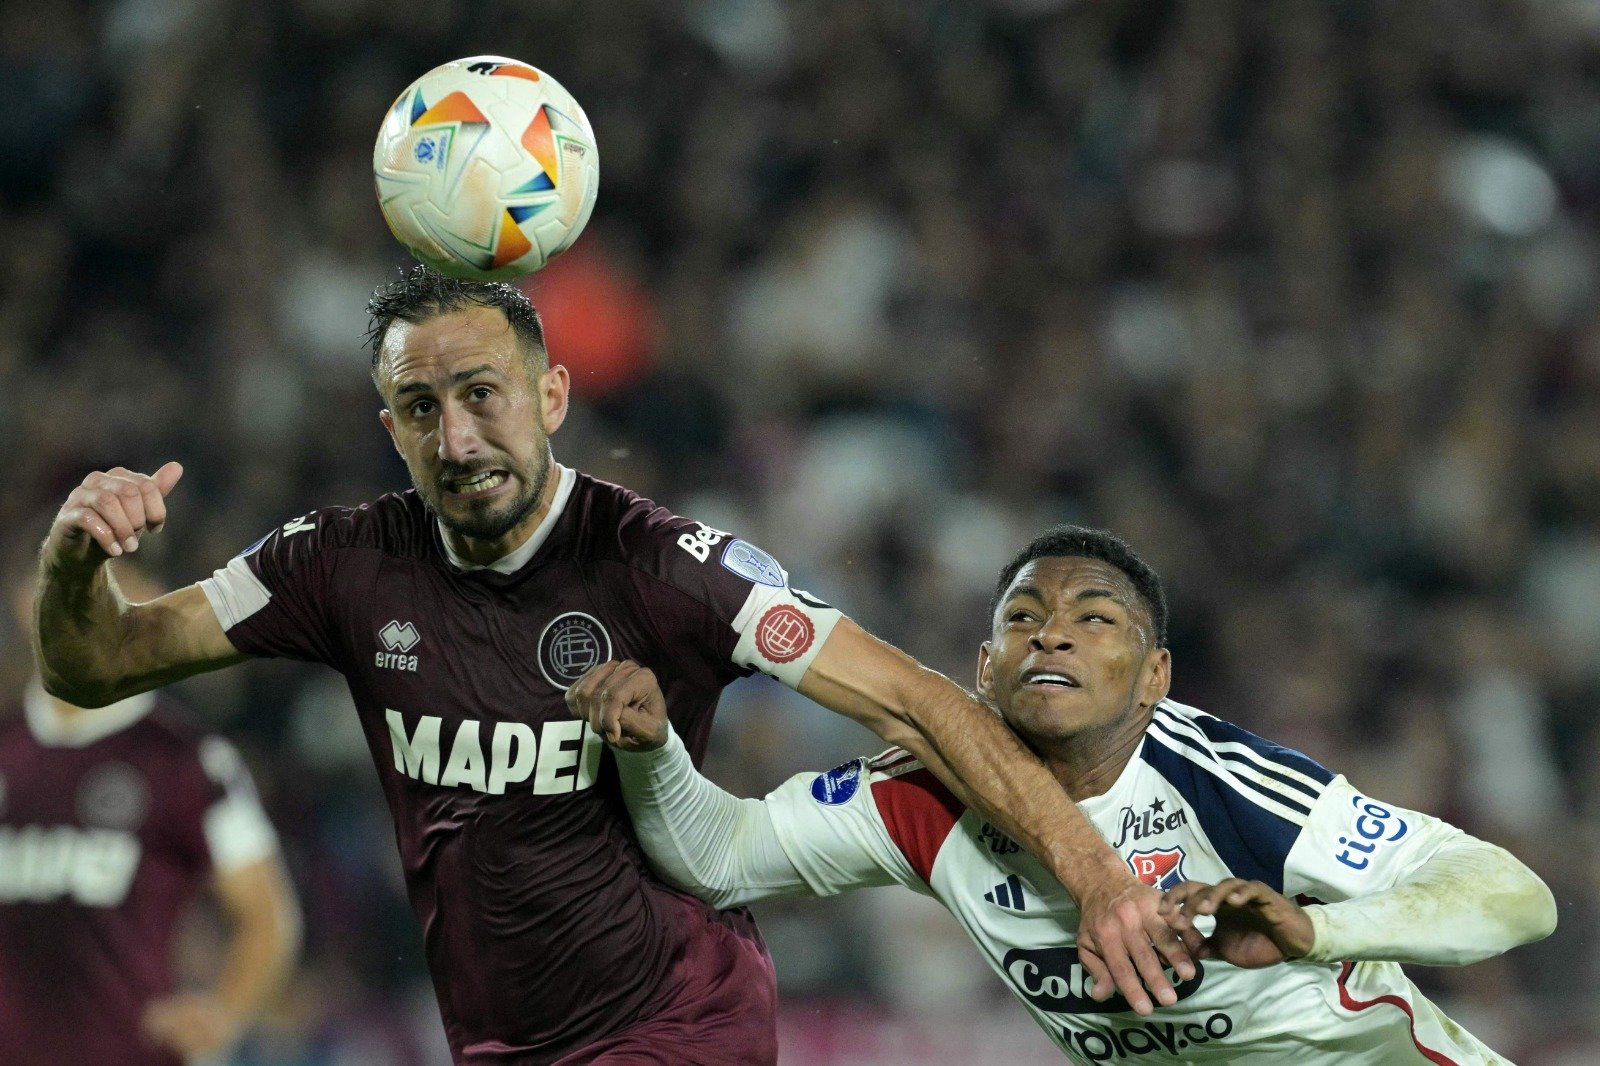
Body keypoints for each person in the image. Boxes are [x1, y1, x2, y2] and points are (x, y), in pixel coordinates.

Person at [31, 267, 1200, 1065]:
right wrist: (78, 562)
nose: (460, 437)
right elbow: (98, 669)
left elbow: (918, 698)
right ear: (390, 427)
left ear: (551, 395)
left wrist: (1098, 879)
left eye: (483, 395)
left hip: (677, 1019)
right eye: (420, 406)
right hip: (498, 1037)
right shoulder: (340, 564)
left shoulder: (667, 566)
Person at [570, 524, 1558, 1064]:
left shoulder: (1217, 781)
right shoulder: (918, 798)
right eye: (1024, 617)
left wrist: (1320, 934)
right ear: (982, 667)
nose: (1052, 633)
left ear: (1155, 675)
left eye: (1096, 618)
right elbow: (721, 855)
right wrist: (651, 753)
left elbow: (1518, 897)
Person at [1, 562, 301, 1066]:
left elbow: (268, 916)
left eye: (110, 582)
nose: (85, 602)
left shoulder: (185, 761)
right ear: (25, 599)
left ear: (150, 600)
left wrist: (223, 1015)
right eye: (68, 581)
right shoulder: (7, 747)